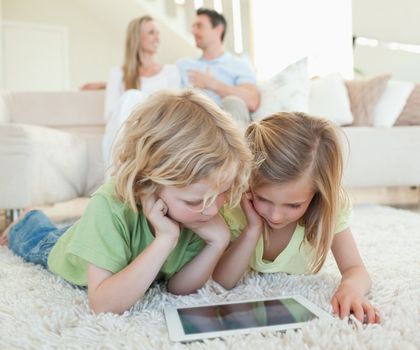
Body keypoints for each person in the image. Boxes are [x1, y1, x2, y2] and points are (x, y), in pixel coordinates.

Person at [1, 90, 253, 315]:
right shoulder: (109, 206)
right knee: (36, 237)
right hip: (63, 247)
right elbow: (103, 304)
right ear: (150, 180)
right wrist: (165, 240)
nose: (212, 209)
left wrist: (216, 243)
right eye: (195, 201)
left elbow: (178, 287)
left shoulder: (198, 211)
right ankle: (27, 218)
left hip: (107, 237)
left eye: (221, 193)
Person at [213, 112, 381, 324]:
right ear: (249, 185)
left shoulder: (328, 209)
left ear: (317, 195)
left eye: (293, 205)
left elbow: (355, 269)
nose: (275, 215)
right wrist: (252, 229)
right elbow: (222, 282)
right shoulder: (235, 206)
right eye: (263, 199)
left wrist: (350, 288)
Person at [103, 15, 181, 169]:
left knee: (132, 96)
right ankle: (120, 175)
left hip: (156, 132)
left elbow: (174, 112)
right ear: (137, 37)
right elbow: (109, 115)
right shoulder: (117, 74)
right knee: (130, 97)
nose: (157, 38)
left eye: (158, 33)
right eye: (152, 32)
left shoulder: (171, 72)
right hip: (125, 133)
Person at [177, 8, 260, 131]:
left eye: (199, 26)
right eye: (193, 27)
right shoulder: (184, 65)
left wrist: (212, 84)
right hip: (192, 124)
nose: (193, 31)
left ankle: (234, 148)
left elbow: (252, 101)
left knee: (233, 102)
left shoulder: (239, 65)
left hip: (226, 125)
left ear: (218, 30)